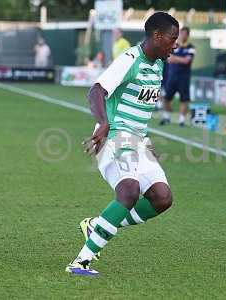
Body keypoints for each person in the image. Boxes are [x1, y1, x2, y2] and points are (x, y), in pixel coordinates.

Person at [65, 12, 179, 276]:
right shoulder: (130, 60)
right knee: (129, 191)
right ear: (157, 36)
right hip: (114, 135)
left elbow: (139, 108)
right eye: (172, 39)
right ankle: (81, 261)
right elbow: (96, 90)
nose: (175, 44)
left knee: (162, 198)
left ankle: (98, 225)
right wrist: (103, 123)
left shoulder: (160, 63)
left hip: (137, 140)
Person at [160, 27, 195, 126]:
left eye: (185, 34)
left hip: (184, 77)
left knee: (184, 99)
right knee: (166, 98)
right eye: (181, 33)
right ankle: (167, 116)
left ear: (187, 35)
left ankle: (182, 120)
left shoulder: (191, 47)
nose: (183, 36)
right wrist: (181, 59)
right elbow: (169, 59)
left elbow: (187, 60)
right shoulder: (173, 45)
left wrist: (176, 58)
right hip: (172, 75)